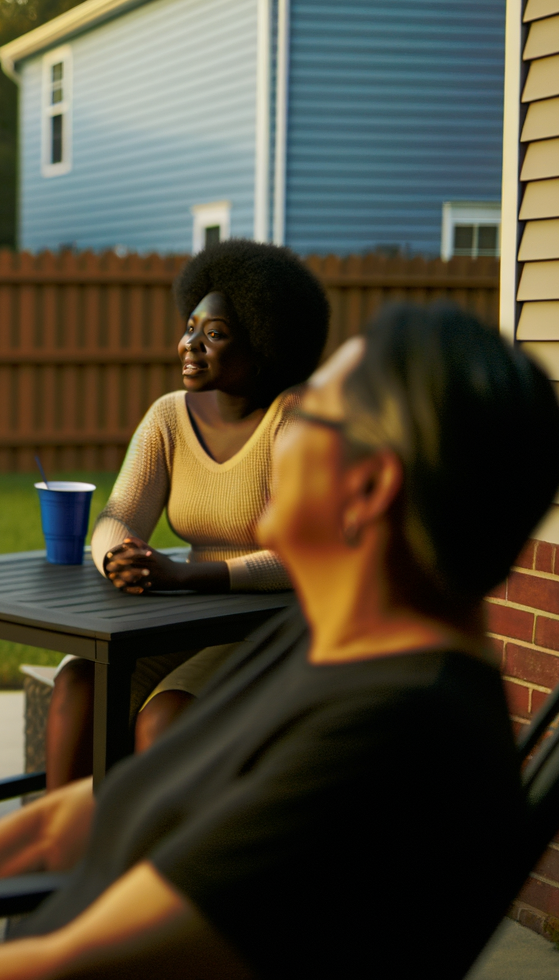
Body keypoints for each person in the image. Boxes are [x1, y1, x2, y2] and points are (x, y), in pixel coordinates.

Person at [0, 302, 559, 980]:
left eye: (309, 411)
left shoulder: (400, 737)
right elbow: (68, 824)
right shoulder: (329, 645)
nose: (280, 431)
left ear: (370, 488)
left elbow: (78, 964)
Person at [45, 239, 331, 789]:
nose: (189, 345)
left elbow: (304, 559)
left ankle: (159, 867)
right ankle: (64, 866)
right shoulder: (168, 417)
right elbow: (119, 514)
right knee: (80, 686)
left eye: (215, 334)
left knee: (164, 718)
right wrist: (116, 559)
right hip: (187, 613)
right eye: (190, 327)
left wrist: (185, 574)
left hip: (271, 624)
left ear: (266, 343)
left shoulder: (296, 421)